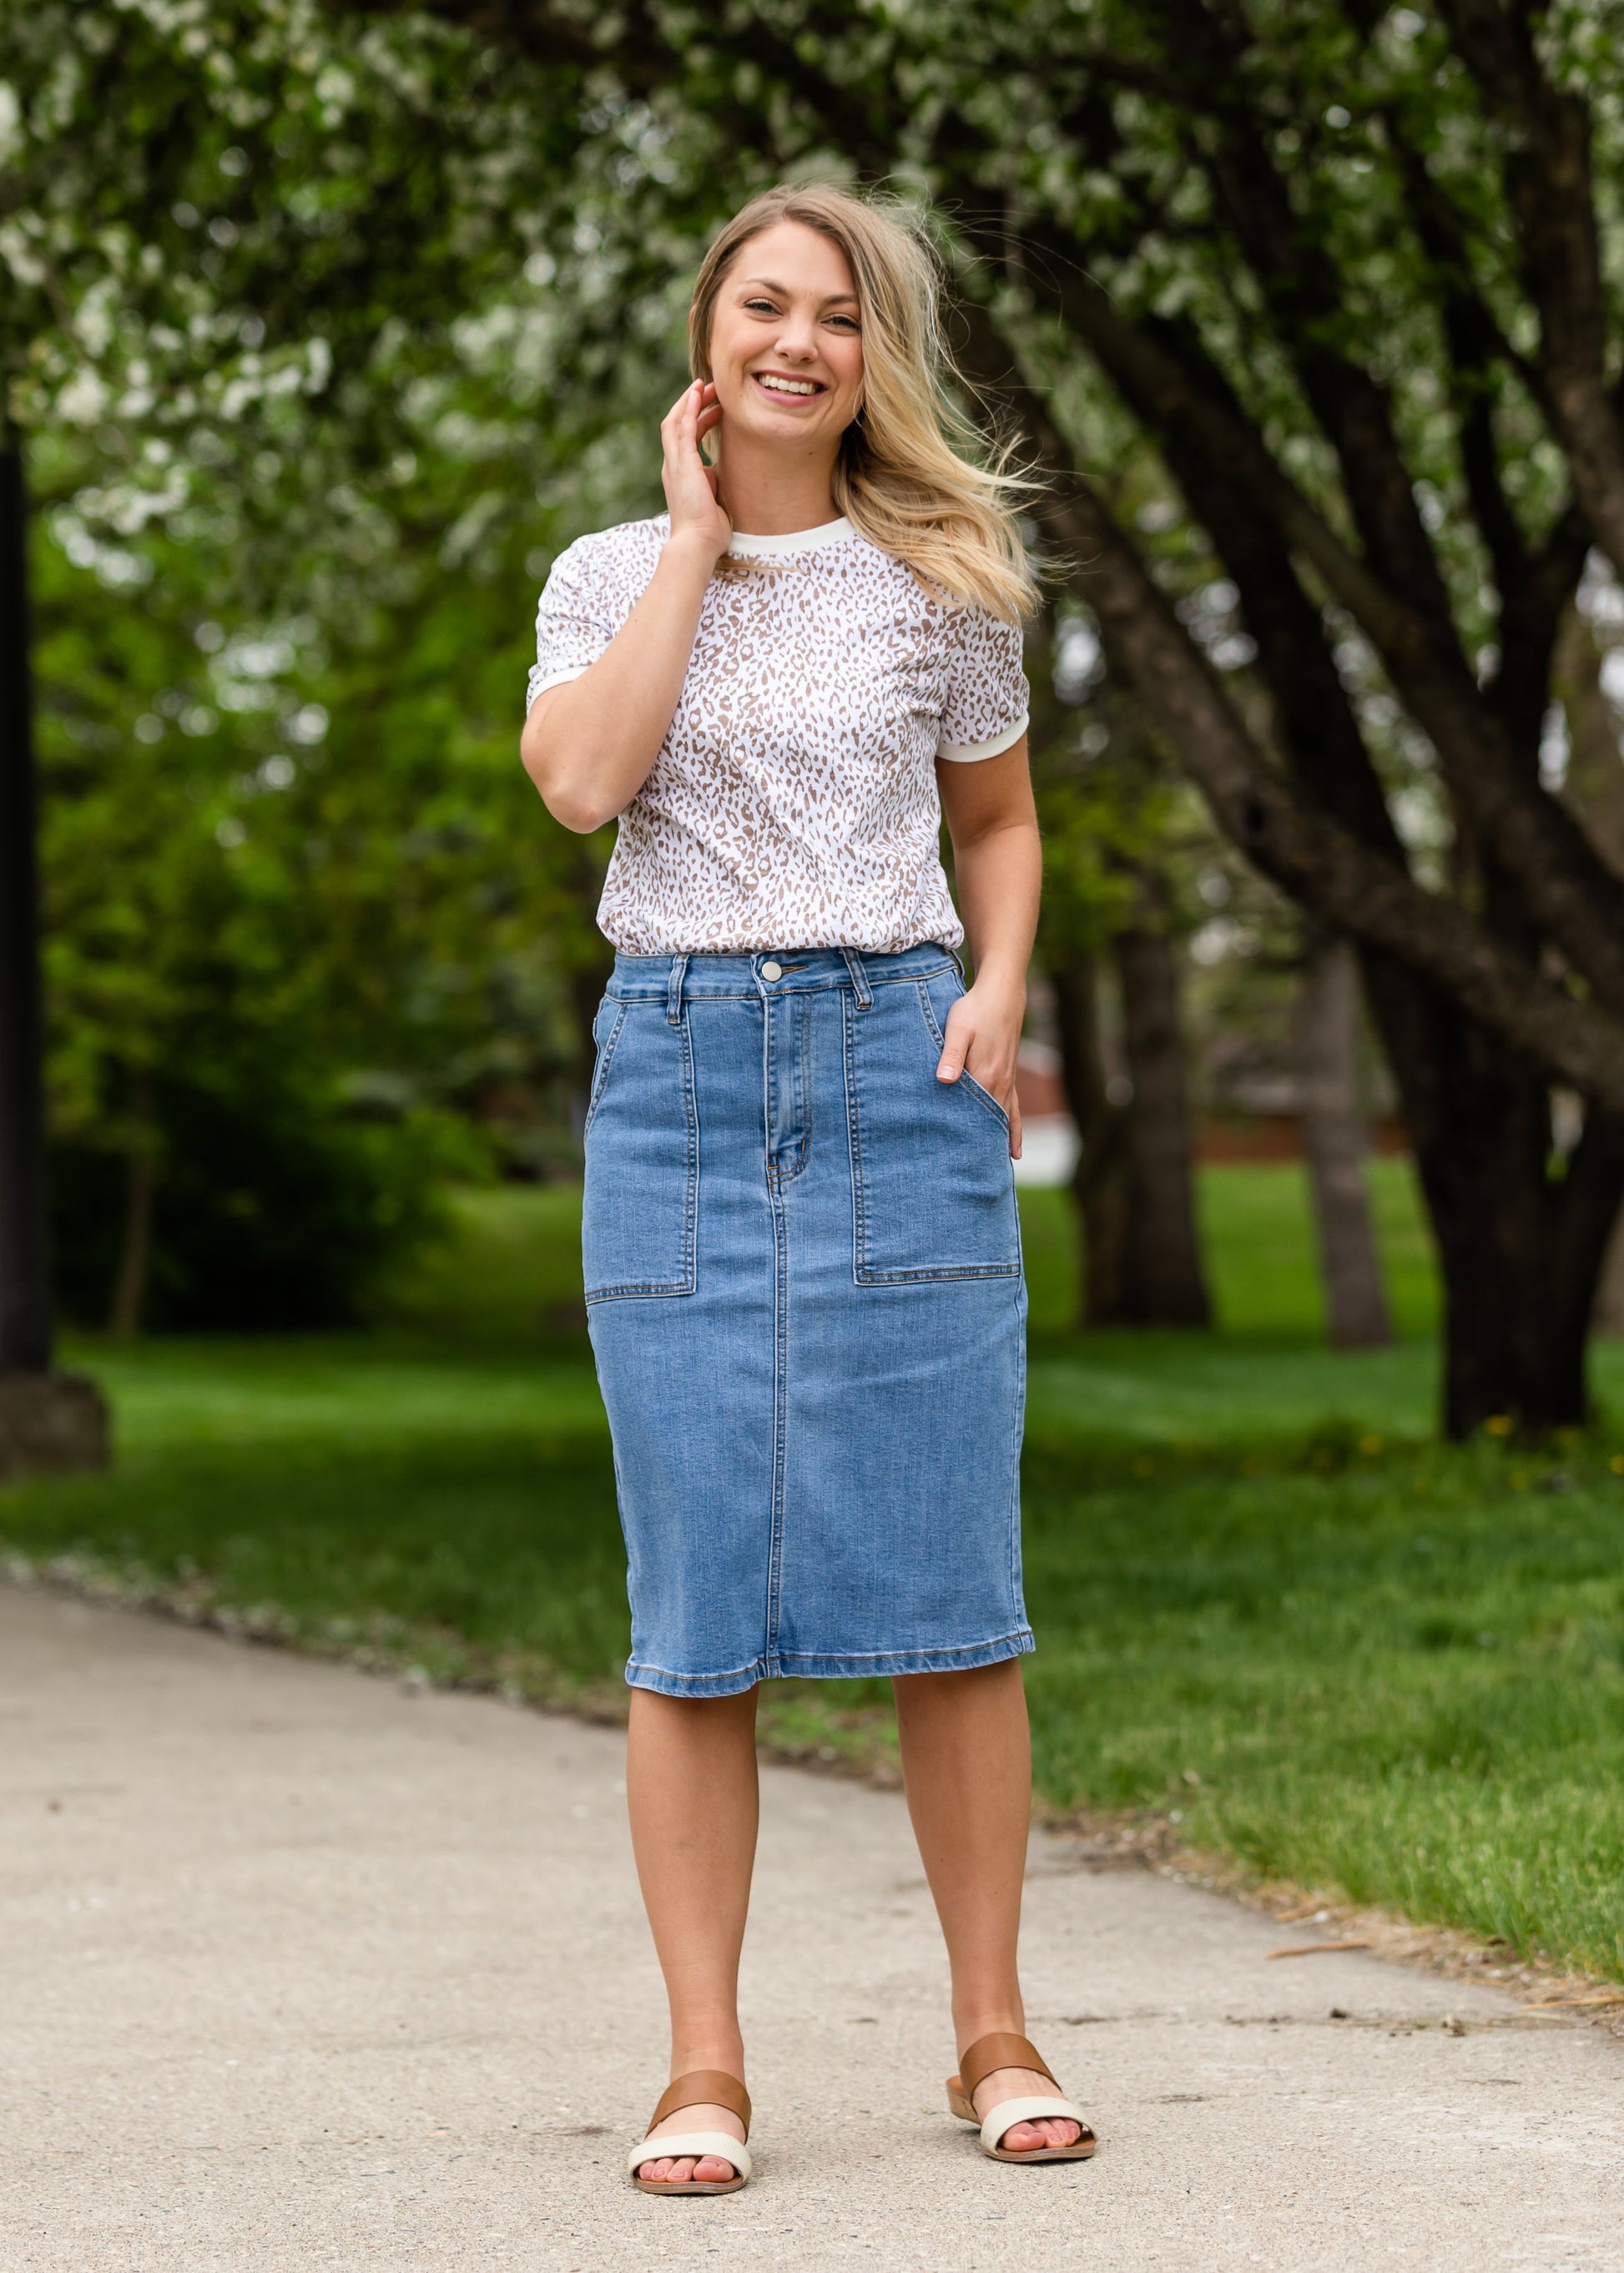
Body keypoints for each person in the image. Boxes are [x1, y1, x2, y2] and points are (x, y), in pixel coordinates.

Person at [520, 181, 1095, 2195]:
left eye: (839, 317)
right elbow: (587, 784)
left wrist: (999, 981)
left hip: (891, 1065)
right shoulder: (600, 573)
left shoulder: (941, 574)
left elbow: (1001, 820)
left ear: (875, 356)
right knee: (694, 1612)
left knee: (955, 1593)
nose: (799, 341)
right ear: (709, 330)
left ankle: (993, 2033)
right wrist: (693, 545)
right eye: (766, 305)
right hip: (678, 1082)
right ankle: (701, 2070)